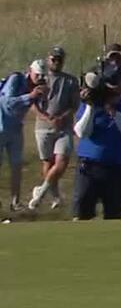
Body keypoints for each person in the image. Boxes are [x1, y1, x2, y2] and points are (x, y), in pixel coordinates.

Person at [70, 71, 121, 220]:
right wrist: (90, 107)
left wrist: (115, 115)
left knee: (114, 214)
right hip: (89, 167)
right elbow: (82, 132)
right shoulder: (90, 106)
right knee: (81, 214)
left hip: (116, 169)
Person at [28, 46, 79, 210]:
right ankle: (56, 196)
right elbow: (32, 103)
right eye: (54, 59)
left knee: (62, 162)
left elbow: (74, 105)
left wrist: (61, 117)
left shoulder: (70, 81)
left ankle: (40, 193)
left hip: (64, 127)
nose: (56, 62)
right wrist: (45, 117)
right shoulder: (40, 78)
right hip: (43, 127)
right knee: (48, 163)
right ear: (48, 59)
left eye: (59, 59)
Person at [1, 62, 46, 210]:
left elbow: (39, 108)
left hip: (16, 128)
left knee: (16, 165)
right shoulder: (16, 79)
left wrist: (43, 97)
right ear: (30, 71)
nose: (40, 78)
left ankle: (15, 201)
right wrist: (30, 96)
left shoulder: (37, 87)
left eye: (42, 75)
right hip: (1, 124)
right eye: (37, 74)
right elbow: (8, 103)